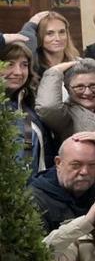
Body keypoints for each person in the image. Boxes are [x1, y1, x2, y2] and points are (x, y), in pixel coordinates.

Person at [4, 41, 48, 175]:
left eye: (24, 65)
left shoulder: (28, 106)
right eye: (9, 64)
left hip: (32, 188)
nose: (18, 72)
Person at [19, 10, 81, 74]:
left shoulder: (78, 64)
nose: (58, 38)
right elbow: (24, 46)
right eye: (50, 33)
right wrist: (30, 26)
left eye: (62, 32)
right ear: (39, 36)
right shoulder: (32, 67)